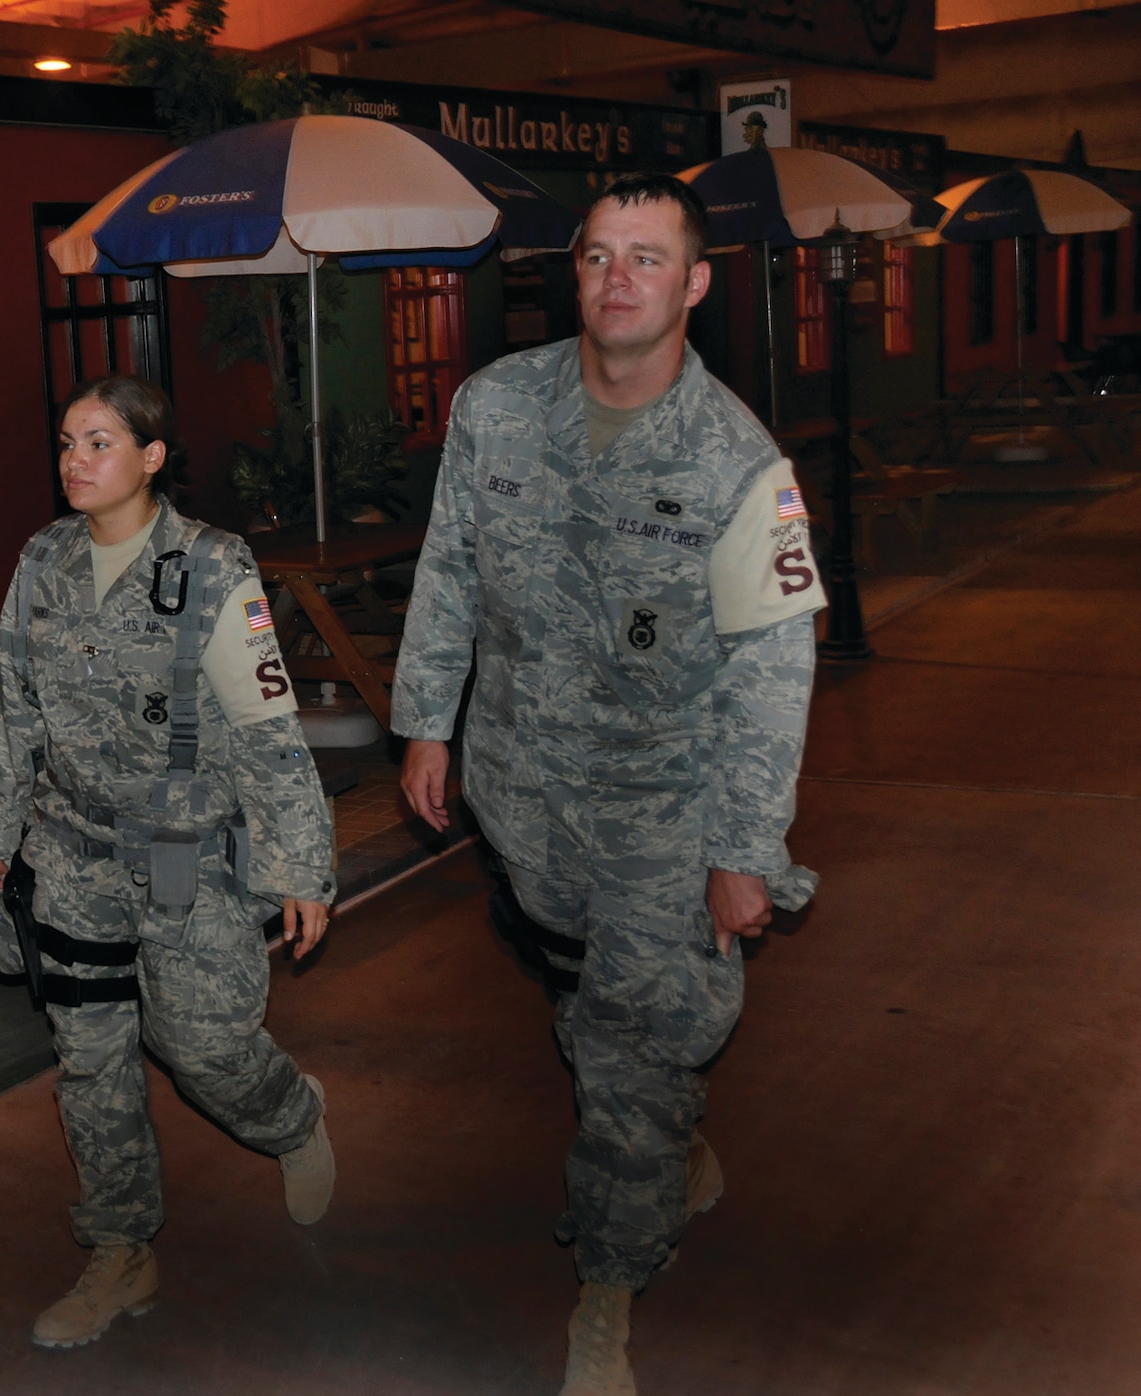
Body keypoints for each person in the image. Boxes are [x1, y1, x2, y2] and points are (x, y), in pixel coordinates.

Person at [391, 172, 825, 1395]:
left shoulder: (742, 462)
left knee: (629, 1040)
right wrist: (425, 723)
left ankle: (610, 1282)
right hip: (523, 792)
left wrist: (741, 847)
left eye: (645, 258)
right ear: (569, 273)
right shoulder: (493, 408)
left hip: (665, 803)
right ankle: (665, 1148)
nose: (615, 280)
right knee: (583, 1000)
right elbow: (450, 572)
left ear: (692, 283)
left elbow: (772, 670)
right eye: (594, 256)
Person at [0, 374, 339, 1351]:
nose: (73, 462)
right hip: (71, 845)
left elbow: (265, 728)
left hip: (183, 849)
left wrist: (301, 861)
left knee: (202, 1045)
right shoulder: (41, 560)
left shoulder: (209, 567)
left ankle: (289, 1114)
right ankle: (121, 1250)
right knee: (87, 1059)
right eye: (64, 443)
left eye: (97, 442)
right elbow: (8, 698)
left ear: (152, 456)